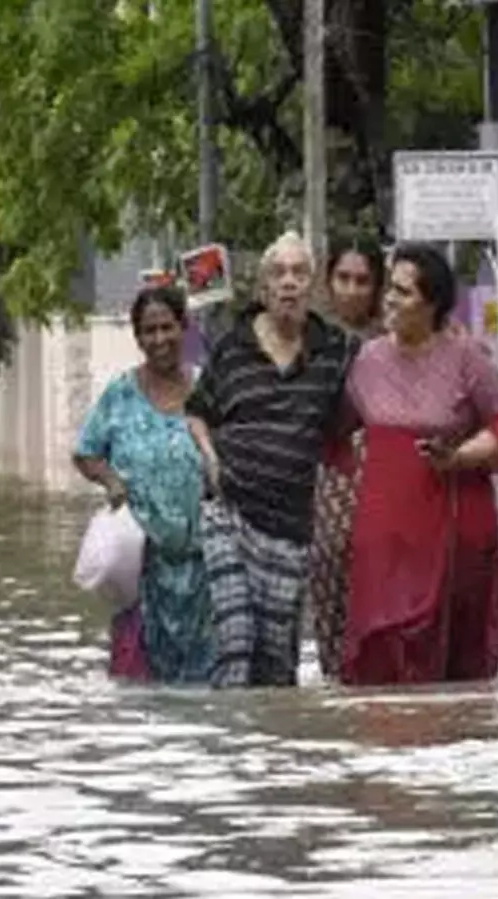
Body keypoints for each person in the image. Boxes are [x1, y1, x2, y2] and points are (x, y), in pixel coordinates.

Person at [342, 242, 498, 685]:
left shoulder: (467, 360)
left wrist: (459, 456)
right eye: (389, 288)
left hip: (453, 535)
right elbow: (340, 434)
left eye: (403, 292)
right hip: (383, 542)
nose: (389, 299)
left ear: (432, 305)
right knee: (379, 660)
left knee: (451, 664)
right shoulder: (366, 361)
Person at [186, 231, 358, 689]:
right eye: (278, 274)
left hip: (290, 528)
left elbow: (368, 402)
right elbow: (197, 414)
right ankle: (230, 750)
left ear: (314, 287)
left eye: (299, 273)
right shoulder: (232, 347)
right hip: (229, 513)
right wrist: (210, 460)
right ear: (263, 287)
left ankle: (271, 750)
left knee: (277, 663)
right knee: (236, 637)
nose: (289, 283)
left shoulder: (336, 352)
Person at [73, 285, 211, 684]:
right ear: (137, 338)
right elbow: (86, 452)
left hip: (203, 568)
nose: (159, 339)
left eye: (167, 328)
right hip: (141, 566)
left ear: (184, 329)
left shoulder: (206, 389)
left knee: (205, 688)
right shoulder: (120, 394)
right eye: (148, 331)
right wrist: (112, 481)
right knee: (139, 687)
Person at [306, 236, 387, 681]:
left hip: (384, 480)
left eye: (362, 281)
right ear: (329, 281)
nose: (353, 290)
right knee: (332, 578)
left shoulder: (396, 341)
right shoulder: (310, 342)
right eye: (344, 279)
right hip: (329, 483)